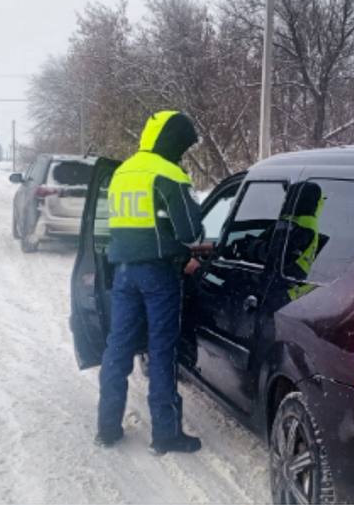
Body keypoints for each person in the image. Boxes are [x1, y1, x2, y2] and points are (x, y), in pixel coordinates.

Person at [97, 110, 205, 455]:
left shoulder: (122, 172)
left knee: (117, 351)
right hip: (159, 276)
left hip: (123, 273)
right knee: (161, 351)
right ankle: (166, 434)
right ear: (173, 142)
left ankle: (107, 428)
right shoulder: (168, 173)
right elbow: (191, 231)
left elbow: (116, 228)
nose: (183, 154)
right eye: (183, 146)